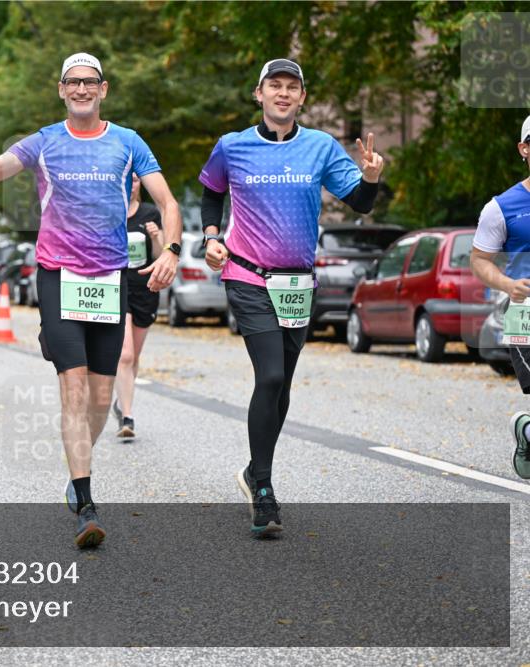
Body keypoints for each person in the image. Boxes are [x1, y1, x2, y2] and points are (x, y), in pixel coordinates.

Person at [0, 53, 181, 548]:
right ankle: (87, 502)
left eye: (89, 82)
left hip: (110, 280)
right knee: (73, 389)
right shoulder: (44, 141)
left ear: (103, 89)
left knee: (100, 398)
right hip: (59, 277)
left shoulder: (129, 142)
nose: (81, 89)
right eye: (72, 82)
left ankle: (78, 468)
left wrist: (173, 250)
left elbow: (168, 202)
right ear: (60, 89)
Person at [198, 58, 384, 533]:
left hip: (298, 283)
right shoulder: (232, 146)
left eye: (291, 87)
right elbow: (211, 193)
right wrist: (212, 236)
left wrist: (370, 177)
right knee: (272, 374)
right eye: (274, 85)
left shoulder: (320, 146)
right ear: (258, 94)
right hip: (247, 275)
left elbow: (359, 203)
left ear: (302, 98)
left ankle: (253, 471)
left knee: (281, 385)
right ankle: (263, 488)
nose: (283, 93)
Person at [471, 114, 530, 480]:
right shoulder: (502, 207)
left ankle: (526, 430)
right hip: (524, 311)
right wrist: (508, 285)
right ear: (524, 149)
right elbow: (479, 260)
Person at [111, 173, 164, 439]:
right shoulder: (110, 211)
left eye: (134, 180)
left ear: (139, 183)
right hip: (118, 288)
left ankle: (122, 401)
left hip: (145, 290)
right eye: (126, 179)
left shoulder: (150, 213)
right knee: (125, 355)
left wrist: (156, 238)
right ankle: (128, 417)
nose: (129, 184)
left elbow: (159, 255)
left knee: (134, 357)